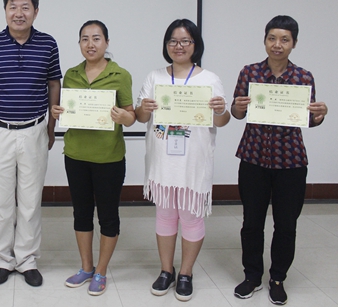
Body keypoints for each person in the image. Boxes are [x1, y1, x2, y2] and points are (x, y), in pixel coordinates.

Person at [231, 15, 327, 305]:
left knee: (286, 225)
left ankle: (277, 279)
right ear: (265, 40)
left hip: (291, 162)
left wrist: (319, 116)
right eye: (272, 38)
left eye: (285, 39)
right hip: (253, 158)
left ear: (293, 43)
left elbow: (308, 119)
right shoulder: (249, 72)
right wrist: (237, 106)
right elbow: (237, 113)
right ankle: (252, 276)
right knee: (251, 222)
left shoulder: (303, 77)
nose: (277, 44)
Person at [0, 0, 62, 287]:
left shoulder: (48, 44)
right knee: (1, 201)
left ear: (36, 11)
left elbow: (54, 84)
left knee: (30, 200)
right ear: (5, 11)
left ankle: (26, 259)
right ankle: (3, 259)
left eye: (25, 7)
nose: (19, 13)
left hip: (35, 130)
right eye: (13, 7)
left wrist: (51, 127)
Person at [135, 19, 230, 302]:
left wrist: (220, 110)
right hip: (163, 162)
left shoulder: (209, 79)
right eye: (173, 41)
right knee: (165, 216)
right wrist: (144, 108)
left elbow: (222, 121)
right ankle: (166, 270)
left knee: (191, 216)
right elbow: (140, 117)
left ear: (195, 45)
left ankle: (186, 273)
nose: (179, 46)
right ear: (166, 45)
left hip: (193, 162)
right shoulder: (155, 77)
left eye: (185, 41)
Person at [50, 20, 136, 296]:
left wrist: (124, 117)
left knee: (108, 217)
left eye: (96, 38)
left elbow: (131, 115)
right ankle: (86, 267)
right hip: (76, 155)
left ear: (106, 42)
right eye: (85, 39)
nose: (90, 44)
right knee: (81, 213)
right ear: (79, 44)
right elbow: (65, 109)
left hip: (109, 157)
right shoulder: (71, 74)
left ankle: (101, 270)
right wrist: (56, 111)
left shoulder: (120, 75)